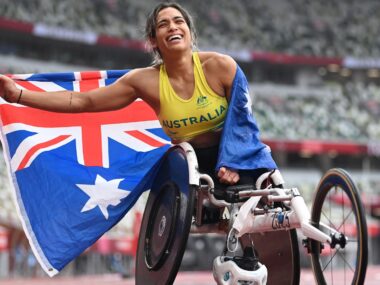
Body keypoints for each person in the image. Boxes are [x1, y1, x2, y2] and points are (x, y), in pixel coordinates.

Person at [0, 2, 273, 189]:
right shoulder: (145, 81)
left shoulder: (221, 66)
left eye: (179, 22)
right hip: (190, 164)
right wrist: (19, 95)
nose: (173, 27)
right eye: (163, 24)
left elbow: (243, 122)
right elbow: (82, 101)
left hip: (237, 155)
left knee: (271, 187)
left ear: (190, 33)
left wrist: (232, 161)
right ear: (154, 40)